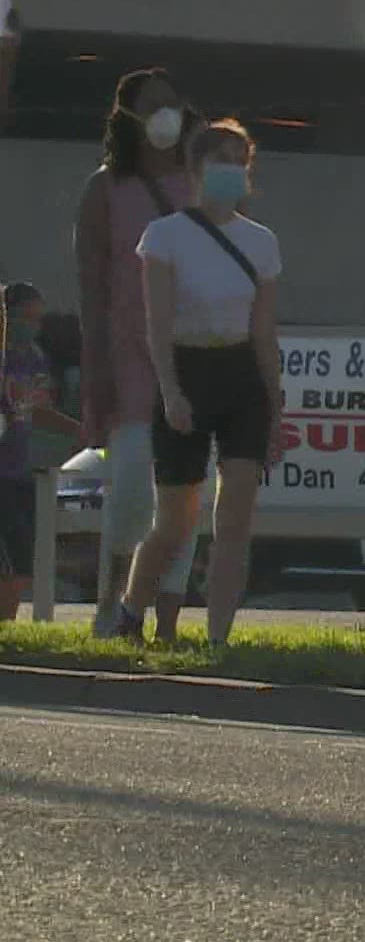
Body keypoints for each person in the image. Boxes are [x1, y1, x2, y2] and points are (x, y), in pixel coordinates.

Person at [109, 121, 281, 647]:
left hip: (242, 379)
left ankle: (218, 640)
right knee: (176, 520)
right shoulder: (165, 236)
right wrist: (172, 391)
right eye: (219, 160)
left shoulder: (261, 242)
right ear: (195, 169)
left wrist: (275, 408)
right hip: (186, 371)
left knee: (234, 520)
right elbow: (156, 325)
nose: (231, 170)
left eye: (239, 161)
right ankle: (131, 614)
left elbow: (263, 332)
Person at [74, 68, 199, 640]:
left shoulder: (201, 183)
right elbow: (92, 289)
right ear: (126, 117)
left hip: (195, 360)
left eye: (172, 103)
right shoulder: (104, 189)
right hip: (128, 363)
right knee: (128, 494)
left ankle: (167, 622)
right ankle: (112, 609)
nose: (165, 115)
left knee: (188, 496)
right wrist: (95, 374)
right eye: (152, 106)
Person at [1, 283, 83, 621]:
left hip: (19, 470)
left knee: (21, 563)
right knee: (7, 562)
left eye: (37, 318)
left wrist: (80, 431)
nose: (31, 325)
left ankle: (6, 628)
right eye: (24, 317)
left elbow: (37, 409)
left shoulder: (33, 357)